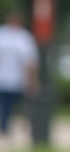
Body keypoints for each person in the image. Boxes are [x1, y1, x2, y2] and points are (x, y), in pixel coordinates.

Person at [0, 10, 40, 139]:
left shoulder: (24, 38)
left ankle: (9, 126)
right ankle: (5, 127)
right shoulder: (3, 34)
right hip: (3, 77)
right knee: (6, 104)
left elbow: (30, 62)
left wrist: (32, 80)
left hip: (17, 79)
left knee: (15, 105)